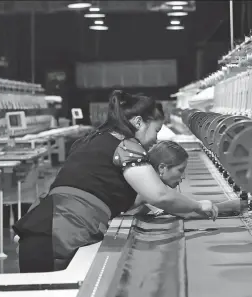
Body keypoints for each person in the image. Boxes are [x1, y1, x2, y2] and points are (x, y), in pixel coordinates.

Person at [13, 90, 219, 273]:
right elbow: (159, 195)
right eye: (155, 131)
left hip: (45, 230)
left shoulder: (95, 138)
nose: (155, 139)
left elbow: (109, 193)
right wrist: (199, 206)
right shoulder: (127, 145)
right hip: (60, 234)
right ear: (138, 122)